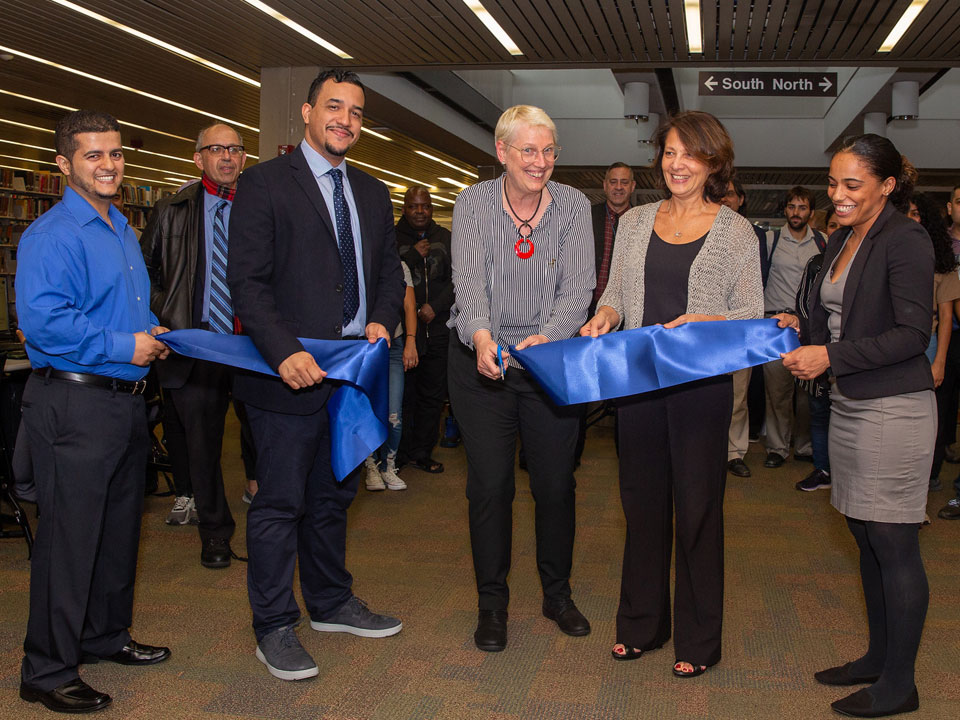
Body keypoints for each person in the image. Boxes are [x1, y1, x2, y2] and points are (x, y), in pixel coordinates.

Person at [227, 69, 405, 681]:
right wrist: (281, 352)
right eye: (334, 107)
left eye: (356, 112)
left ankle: (330, 602)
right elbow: (246, 283)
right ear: (306, 113)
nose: (345, 121)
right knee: (279, 504)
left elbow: (387, 274)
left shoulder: (375, 193)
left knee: (334, 496)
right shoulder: (263, 185)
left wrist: (382, 321)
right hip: (286, 375)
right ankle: (273, 625)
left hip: (351, 373)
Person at [582, 110, 763, 677]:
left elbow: (750, 313)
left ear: (713, 161)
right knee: (641, 506)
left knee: (698, 510)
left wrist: (704, 321)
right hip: (638, 384)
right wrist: (605, 316)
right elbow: (614, 291)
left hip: (698, 390)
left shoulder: (735, 231)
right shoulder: (635, 222)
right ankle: (642, 625)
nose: (677, 163)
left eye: (690, 153)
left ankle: (699, 640)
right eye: (669, 152)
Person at [15, 110, 171, 714]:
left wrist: (143, 330)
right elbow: (46, 323)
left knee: (116, 532)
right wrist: (121, 344)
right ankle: (47, 670)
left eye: (115, 154)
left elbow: (107, 312)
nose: (108, 165)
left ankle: (105, 636)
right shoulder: (52, 235)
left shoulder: (123, 229)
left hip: (125, 403)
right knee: (69, 541)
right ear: (64, 164)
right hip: (74, 402)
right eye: (93, 156)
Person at [778, 134, 933, 718]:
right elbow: (837, 316)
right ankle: (878, 657)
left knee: (893, 543)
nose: (835, 195)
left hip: (893, 408)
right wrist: (801, 325)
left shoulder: (906, 238)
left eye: (851, 185)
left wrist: (830, 357)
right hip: (849, 403)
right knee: (866, 538)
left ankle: (901, 684)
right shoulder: (842, 238)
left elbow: (911, 336)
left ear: (887, 186)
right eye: (833, 183)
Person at [448, 104, 595, 652]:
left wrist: (546, 338)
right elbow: (468, 284)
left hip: (550, 363)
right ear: (502, 152)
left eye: (549, 150)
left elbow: (579, 289)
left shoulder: (575, 206)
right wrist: (482, 336)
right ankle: (492, 604)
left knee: (556, 486)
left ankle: (557, 595)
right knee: (490, 486)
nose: (540, 161)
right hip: (481, 366)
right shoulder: (473, 203)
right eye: (528, 150)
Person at [141, 122, 253, 568]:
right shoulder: (172, 209)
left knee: (265, 436)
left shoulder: (261, 207)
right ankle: (215, 534)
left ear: (244, 157)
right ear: (198, 158)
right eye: (216, 149)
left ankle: (271, 518)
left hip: (252, 344)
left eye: (235, 149)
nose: (227, 157)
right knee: (202, 447)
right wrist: (165, 317)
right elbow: (145, 272)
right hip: (197, 343)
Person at [761, 186, 825, 469]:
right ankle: (776, 447)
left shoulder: (823, 242)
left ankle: (804, 445)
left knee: (806, 390)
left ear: (810, 212)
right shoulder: (770, 240)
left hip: (809, 326)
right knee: (777, 390)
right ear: (785, 210)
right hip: (775, 324)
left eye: (802, 207)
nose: (796, 213)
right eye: (791, 207)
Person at [906, 194, 960, 497]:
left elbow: (948, 316)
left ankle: (924, 483)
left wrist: (939, 361)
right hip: (894, 348)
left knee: (927, 422)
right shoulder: (893, 254)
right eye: (908, 214)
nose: (913, 219)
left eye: (917, 214)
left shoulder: (942, 264)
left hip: (928, 346)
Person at [396, 186, 453, 473]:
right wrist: (414, 257)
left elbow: (458, 280)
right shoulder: (392, 238)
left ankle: (423, 452)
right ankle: (400, 453)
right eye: (414, 206)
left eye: (425, 206)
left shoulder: (444, 237)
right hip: (405, 332)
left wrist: (436, 307)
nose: (420, 212)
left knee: (432, 397)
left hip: (439, 327)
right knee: (405, 396)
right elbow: (389, 278)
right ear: (404, 209)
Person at [719, 177, 766, 478]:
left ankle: (734, 453)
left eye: (731, 194)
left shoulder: (755, 235)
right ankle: (709, 449)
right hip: (706, 330)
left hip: (742, 328)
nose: (725, 199)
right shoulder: (705, 232)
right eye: (720, 195)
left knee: (738, 397)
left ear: (741, 199)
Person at [792, 210, 840, 493]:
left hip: (848, 354)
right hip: (816, 347)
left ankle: (846, 475)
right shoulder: (816, 264)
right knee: (819, 413)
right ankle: (823, 469)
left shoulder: (864, 260)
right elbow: (803, 306)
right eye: (831, 225)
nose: (837, 230)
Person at [363, 258, 417, 491]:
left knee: (394, 411)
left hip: (394, 345)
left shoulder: (399, 266)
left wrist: (411, 342)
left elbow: (408, 306)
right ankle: (371, 467)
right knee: (368, 410)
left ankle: (389, 466)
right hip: (363, 347)